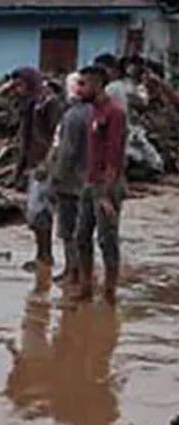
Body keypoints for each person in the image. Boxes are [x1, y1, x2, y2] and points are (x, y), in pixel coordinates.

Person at [74, 64, 127, 304]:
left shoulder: (115, 113)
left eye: (83, 84)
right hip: (90, 182)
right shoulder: (93, 112)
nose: (79, 89)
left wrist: (105, 194)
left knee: (107, 239)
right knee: (81, 236)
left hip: (107, 185)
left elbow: (114, 155)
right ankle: (86, 288)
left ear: (97, 84)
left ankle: (109, 292)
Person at [7, 67, 62, 269]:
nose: (17, 90)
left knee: (40, 212)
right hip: (33, 163)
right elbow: (25, 139)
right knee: (34, 214)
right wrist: (18, 169)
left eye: (20, 85)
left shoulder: (49, 103)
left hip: (45, 165)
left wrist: (48, 163)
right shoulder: (30, 104)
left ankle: (45, 256)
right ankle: (42, 255)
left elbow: (57, 137)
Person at [47, 71, 92, 289]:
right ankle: (82, 273)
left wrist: (56, 178)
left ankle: (72, 272)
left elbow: (67, 152)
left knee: (68, 230)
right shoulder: (95, 112)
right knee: (83, 231)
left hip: (71, 182)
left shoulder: (73, 116)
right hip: (90, 181)